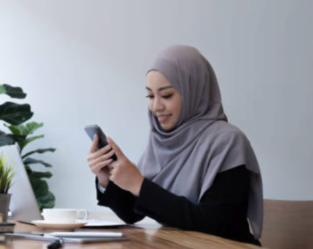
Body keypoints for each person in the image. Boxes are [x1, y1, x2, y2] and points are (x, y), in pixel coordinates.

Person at [87, 45, 263, 245]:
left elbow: (218, 223)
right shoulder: (161, 141)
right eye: (151, 96)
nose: (156, 107)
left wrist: (138, 184)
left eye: (167, 95)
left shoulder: (228, 142)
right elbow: (133, 212)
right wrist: (106, 179)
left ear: (193, 91)